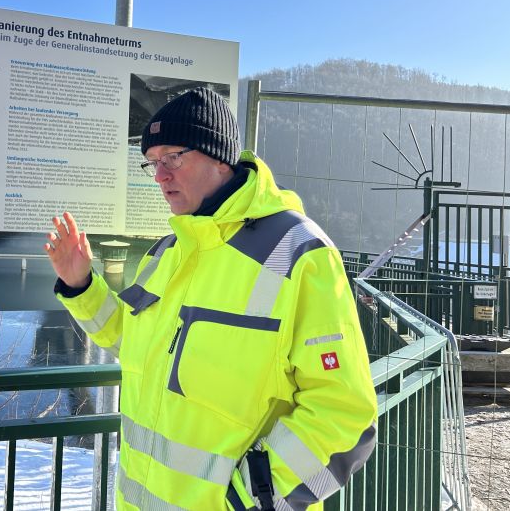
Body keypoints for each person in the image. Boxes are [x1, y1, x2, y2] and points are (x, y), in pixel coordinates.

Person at [45, 87, 377, 510]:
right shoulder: (168, 251)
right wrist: (82, 285)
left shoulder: (299, 255)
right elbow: (137, 343)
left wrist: (247, 502)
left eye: (173, 158)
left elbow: (344, 416)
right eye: (153, 162)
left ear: (218, 155)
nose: (160, 175)